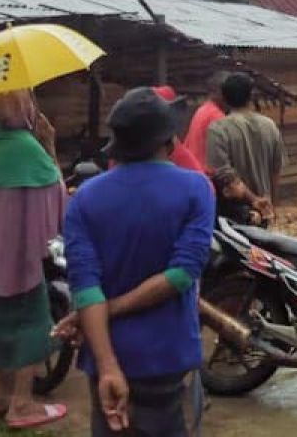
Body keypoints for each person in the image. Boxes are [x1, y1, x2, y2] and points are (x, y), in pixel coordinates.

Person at [64, 87, 215, 436]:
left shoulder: (84, 198)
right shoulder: (196, 189)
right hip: (168, 356)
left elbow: (86, 290)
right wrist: (109, 309)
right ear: (169, 141)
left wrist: (107, 364)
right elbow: (180, 275)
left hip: (104, 355)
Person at [0, 89, 68, 429]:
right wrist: (49, 145)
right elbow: (59, 198)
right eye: (30, 103)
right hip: (21, 255)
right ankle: (21, 404)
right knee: (34, 323)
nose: (34, 108)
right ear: (22, 109)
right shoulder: (27, 147)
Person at [207, 72, 284, 225]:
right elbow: (276, 170)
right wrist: (272, 205)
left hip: (233, 216)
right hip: (263, 211)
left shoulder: (218, 129)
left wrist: (253, 200)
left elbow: (224, 175)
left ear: (224, 97)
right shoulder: (270, 126)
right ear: (251, 96)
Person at [182, 72, 227, 171]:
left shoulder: (202, 110)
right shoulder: (216, 116)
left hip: (194, 171)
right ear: (218, 92)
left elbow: (186, 145)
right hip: (207, 176)